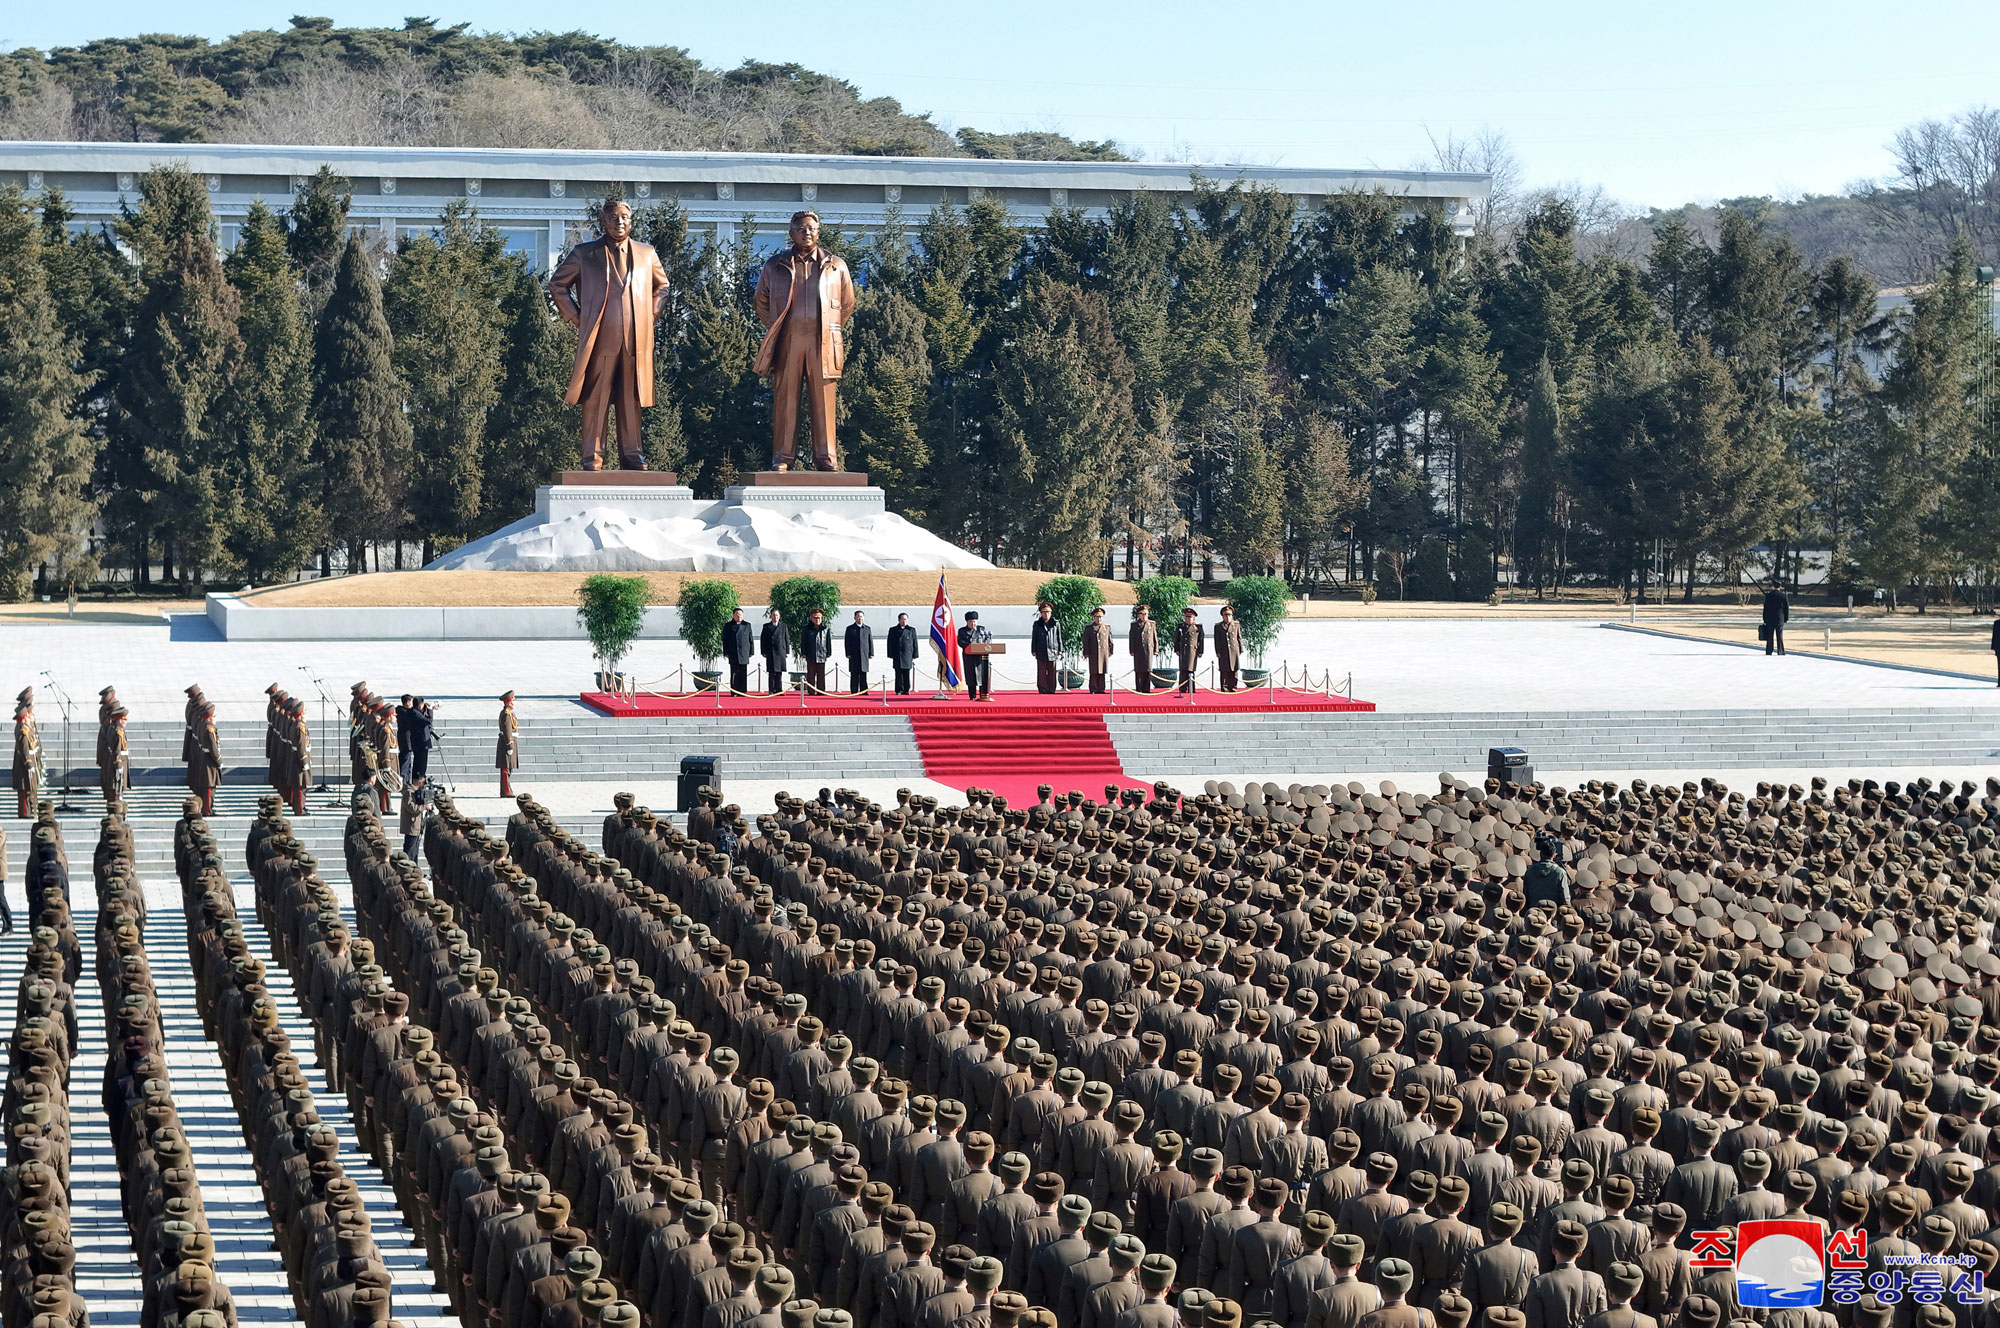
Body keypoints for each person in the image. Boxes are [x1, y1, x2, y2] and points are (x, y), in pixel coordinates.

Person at [547, 198, 673, 472]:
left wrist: (650, 315)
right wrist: (578, 318)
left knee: (631, 397)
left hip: (635, 340)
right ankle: (592, 456)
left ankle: (633, 455)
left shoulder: (646, 253)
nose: (620, 222)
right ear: (604, 221)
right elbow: (557, 285)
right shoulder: (585, 253)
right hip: (600, 338)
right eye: (614, 217)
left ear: (631, 221)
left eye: (625, 217)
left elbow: (662, 287)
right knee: (597, 396)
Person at [753, 210, 858, 472]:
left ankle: (826, 457)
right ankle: (783, 457)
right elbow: (761, 301)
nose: (806, 232)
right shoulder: (774, 266)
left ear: (819, 231)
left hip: (821, 342)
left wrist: (830, 329)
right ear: (791, 232)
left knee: (824, 401)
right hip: (788, 341)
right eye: (800, 228)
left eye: (811, 228)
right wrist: (778, 326)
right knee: (786, 400)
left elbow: (847, 303)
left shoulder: (836, 266)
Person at [1521, 834, 1570, 910]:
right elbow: (1565, 898)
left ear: (1540, 854)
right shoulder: (1560, 872)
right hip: (1553, 914)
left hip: (1533, 914)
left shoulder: (1530, 871)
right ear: (1554, 855)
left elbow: (1525, 894)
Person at [12, 686, 39, 818]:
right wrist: (28, 762)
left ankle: (28, 811)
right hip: (22, 765)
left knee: (28, 790)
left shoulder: (24, 727)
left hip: (27, 761)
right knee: (24, 791)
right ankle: (24, 813)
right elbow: (23, 748)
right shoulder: (22, 730)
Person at [98, 703, 129, 807]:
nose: (125, 722)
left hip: (119, 762)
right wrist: (118, 766)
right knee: (116, 792)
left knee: (117, 792)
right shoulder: (116, 732)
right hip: (116, 765)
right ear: (119, 720)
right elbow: (116, 750)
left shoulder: (117, 730)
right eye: (124, 719)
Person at [960, 612, 994, 701]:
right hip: (969, 657)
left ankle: (983, 694)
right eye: (971, 622)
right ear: (967, 622)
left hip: (980, 657)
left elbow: (987, 640)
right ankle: (972, 695)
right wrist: (970, 645)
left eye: (974, 621)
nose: (973, 623)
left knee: (981, 675)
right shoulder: (962, 631)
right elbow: (960, 642)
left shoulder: (981, 630)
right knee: (971, 676)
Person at [723, 609, 756, 696]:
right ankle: (734, 691)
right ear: (733, 615)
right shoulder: (728, 626)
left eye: (741, 615)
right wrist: (726, 652)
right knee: (734, 673)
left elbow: (751, 640)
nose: (739, 616)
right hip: (733, 652)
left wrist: (751, 651)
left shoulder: (747, 625)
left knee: (743, 673)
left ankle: (743, 691)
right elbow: (725, 640)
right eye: (737, 615)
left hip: (744, 652)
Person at [1031, 603, 1062, 694]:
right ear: (1041, 613)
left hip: (1053, 650)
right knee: (1042, 672)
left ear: (1051, 613)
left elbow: (1058, 637)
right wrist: (1033, 650)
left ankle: (1051, 689)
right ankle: (1042, 689)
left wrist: (1060, 650)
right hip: (1041, 651)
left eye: (1048, 612)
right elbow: (1034, 638)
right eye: (1044, 612)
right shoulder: (1037, 624)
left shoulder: (1055, 623)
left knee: (1052, 672)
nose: (1046, 614)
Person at [401, 774, 434, 860]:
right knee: (410, 852)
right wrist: (424, 807)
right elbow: (412, 808)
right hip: (411, 826)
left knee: (414, 852)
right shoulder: (408, 793)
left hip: (416, 826)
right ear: (420, 782)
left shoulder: (413, 792)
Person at [1082, 608, 1114, 695]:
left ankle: (1101, 688)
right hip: (1093, 652)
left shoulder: (1106, 627)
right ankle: (1093, 688)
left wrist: (1110, 652)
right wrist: (1086, 652)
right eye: (1097, 617)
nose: (1099, 619)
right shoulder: (1089, 628)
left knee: (1102, 671)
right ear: (1094, 618)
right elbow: (1086, 641)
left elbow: (1110, 641)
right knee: (1094, 671)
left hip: (1103, 653)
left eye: (1100, 617)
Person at [803, 609, 834, 696]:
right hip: (811, 654)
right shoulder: (806, 629)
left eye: (819, 618)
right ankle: (811, 691)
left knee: (821, 675)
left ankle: (821, 691)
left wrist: (828, 652)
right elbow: (803, 641)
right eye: (815, 618)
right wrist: (803, 652)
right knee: (811, 675)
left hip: (821, 654)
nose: (817, 620)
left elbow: (828, 641)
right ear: (811, 618)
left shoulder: (825, 628)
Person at [888, 613, 920, 697]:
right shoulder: (893, 630)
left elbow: (915, 643)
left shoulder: (911, 630)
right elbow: (889, 643)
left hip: (907, 655)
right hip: (897, 655)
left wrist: (915, 654)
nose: (904, 621)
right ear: (899, 620)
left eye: (905, 619)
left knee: (906, 673)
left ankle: (906, 689)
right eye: (902, 619)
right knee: (898, 673)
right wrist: (890, 654)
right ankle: (899, 689)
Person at [761, 608, 791, 696]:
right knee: (771, 672)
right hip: (770, 652)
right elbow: (763, 640)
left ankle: (779, 689)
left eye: (777, 615)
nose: (775, 617)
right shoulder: (766, 626)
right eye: (773, 615)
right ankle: (771, 690)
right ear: (770, 616)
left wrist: (787, 651)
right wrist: (763, 651)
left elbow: (786, 639)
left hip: (780, 651)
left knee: (779, 672)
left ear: (779, 616)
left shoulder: (783, 626)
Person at [1129, 606, 1158, 694]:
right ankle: (1139, 687)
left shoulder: (1151, 624)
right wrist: (1131, 650)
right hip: (1138, 650)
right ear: (1139, 615)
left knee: (1147, 669)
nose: (1145, 616)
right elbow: (1132, 638)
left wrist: (1156, 649)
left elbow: (1154, 637)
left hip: (1148, 650)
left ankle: (1146, 688)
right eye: (1143, 614)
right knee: (1138, 669)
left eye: (1146, 614)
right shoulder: (1134, 625)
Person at [1214, 605, 1244, 692]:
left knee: (1234, 670)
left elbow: (1239, 637)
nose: (1228, 617)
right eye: (1226, 616)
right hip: (1223, 651)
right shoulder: (1218, 626)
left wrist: (1240, 649)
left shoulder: (1236, 625)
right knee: (1224, 670)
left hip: (1234, 650)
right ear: (1222, 616)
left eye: (1229, 615)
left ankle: (1233, 687)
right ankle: (1224, 687)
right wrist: (1217, 651)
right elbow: (1217, 640)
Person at [1174, 609, 1204, 695]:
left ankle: (1191, 688)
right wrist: (1176, 649)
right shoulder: (1181, 627)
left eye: (1190, 617)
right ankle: (1182, 688)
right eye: (1186, 617)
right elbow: (1176, 639)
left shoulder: (1198, 627)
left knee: (1191, 670)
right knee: (1183, 670)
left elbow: (1200, 640)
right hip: (1183, 651)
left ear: (1193, 618)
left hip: (1192, 651)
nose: (1188, 619)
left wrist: (1200, 651)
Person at [845, 611, 875, 696]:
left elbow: (870, 641)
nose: (860, 618)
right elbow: (847, 642)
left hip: (864, 654)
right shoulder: (850, 629)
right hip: (853, 655)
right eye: (858, 617)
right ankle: (854, 691)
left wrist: (871, 652)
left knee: (863, 673)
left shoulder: (867, 628)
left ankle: (863, 691)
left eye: (861, 617)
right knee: (854, 673)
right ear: (854, 618)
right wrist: (848, 653)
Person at [496, 691, 518, 797]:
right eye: (512, 701)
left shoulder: (510, 713)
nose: (513, 703)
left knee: (509, 768)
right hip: (506, 743)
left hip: (511, 741)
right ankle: (506, 791)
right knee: (505, 768)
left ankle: (507, 789)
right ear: (507, 702)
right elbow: (507, 730)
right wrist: (510, 745)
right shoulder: (505, 714)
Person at [1761, 582, 1789, 656]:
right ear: (1780, 587)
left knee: (1770, 636)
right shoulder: (1783, 596)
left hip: (1770, 618)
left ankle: (1769, 651)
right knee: (1779, 636)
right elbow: (1786, 609)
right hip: (1780, 618)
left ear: (1773, 586)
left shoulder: (1768, 595)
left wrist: (1764, 618)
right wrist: (1786, 618)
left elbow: (1765, 608)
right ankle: (1780, 651)